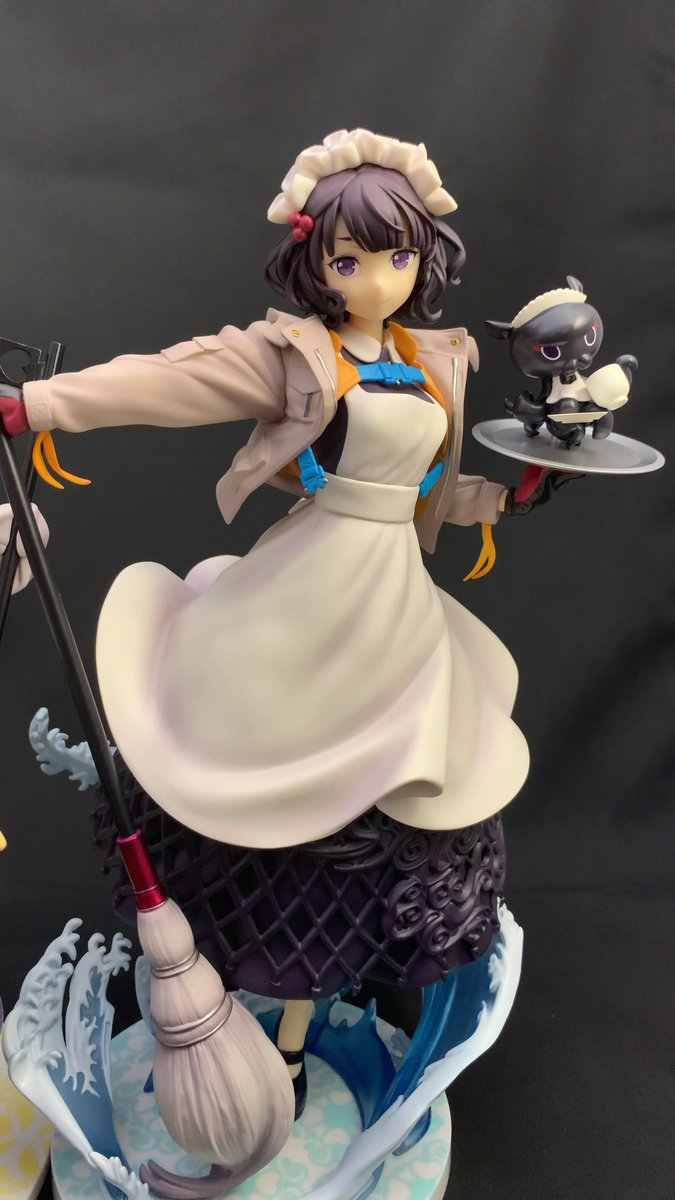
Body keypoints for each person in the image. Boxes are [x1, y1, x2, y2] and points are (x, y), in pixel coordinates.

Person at [0, 130, 566, 1177]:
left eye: (395, 256)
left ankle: (295, 1040)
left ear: (423, 257)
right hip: (307, 587)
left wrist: (518, 491)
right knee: (252, 775)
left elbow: (438, 494)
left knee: (375, 807)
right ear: (316, 262)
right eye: (348, 260)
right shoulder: (299, 355)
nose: (374, 280)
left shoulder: (435, 360)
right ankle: (220, 1002)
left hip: (392, 601)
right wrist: (39, 407)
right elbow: (172, 381)